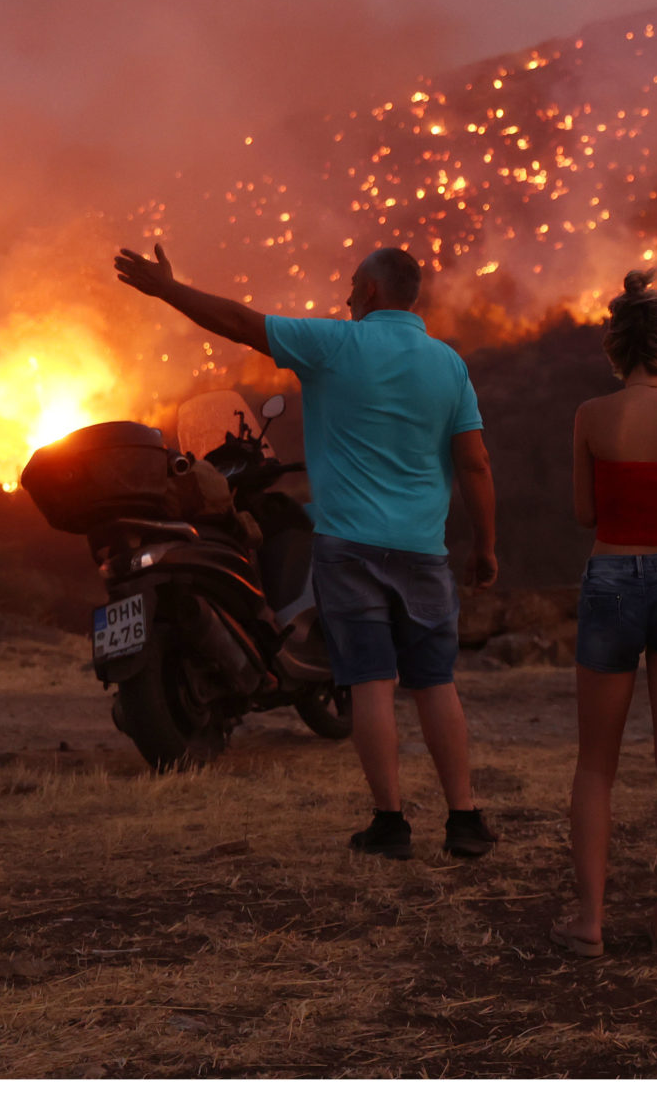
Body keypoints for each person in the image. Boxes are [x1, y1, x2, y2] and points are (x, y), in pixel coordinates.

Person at [114, 242, 502, 857]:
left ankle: (390, 823)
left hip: (349, 549)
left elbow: (239, 322)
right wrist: (484, 546)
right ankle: (464, 818)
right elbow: (475, 463)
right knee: (435, 683)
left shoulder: (334, 345)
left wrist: (169, 289)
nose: (345, 296)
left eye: (352, 285)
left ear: (370, 291)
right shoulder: (448, 364)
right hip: (423, 551)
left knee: (371, 683)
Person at [551, 272, 657, 958]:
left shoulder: (591, 416)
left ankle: (589, 920)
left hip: (611, 576)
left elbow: (583, 513)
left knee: (596, 764)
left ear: (616, 345)